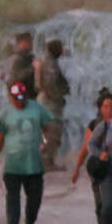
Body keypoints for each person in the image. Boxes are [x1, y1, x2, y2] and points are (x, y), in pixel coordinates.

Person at [0, 82, 54, 224]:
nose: (20, 100)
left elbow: (48, 128)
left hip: (34, 164)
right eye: (16, 97)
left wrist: (45, 143)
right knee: (12, 198)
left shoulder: (37, 108)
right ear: (11, 98)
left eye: (23, 96)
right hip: (13, 165)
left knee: (35, 198)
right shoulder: (6, 114)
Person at [71, 90, 112, 224]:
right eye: (105, 106)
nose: (109, 110)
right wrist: (77, 168)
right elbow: (86, 148)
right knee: (100, 202)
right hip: (98, 168)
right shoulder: (95, 125)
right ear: (100, 108)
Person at [34, 39, 70, 171]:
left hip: (47, 101)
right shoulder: (50, 64)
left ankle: (46, 161)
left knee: (50, 132)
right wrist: (58, 98)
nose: (62, 51)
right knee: (52, 133)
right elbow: (49, 85)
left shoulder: (49, 62)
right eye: (60, 48)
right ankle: (47, 163)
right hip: (50, 103)